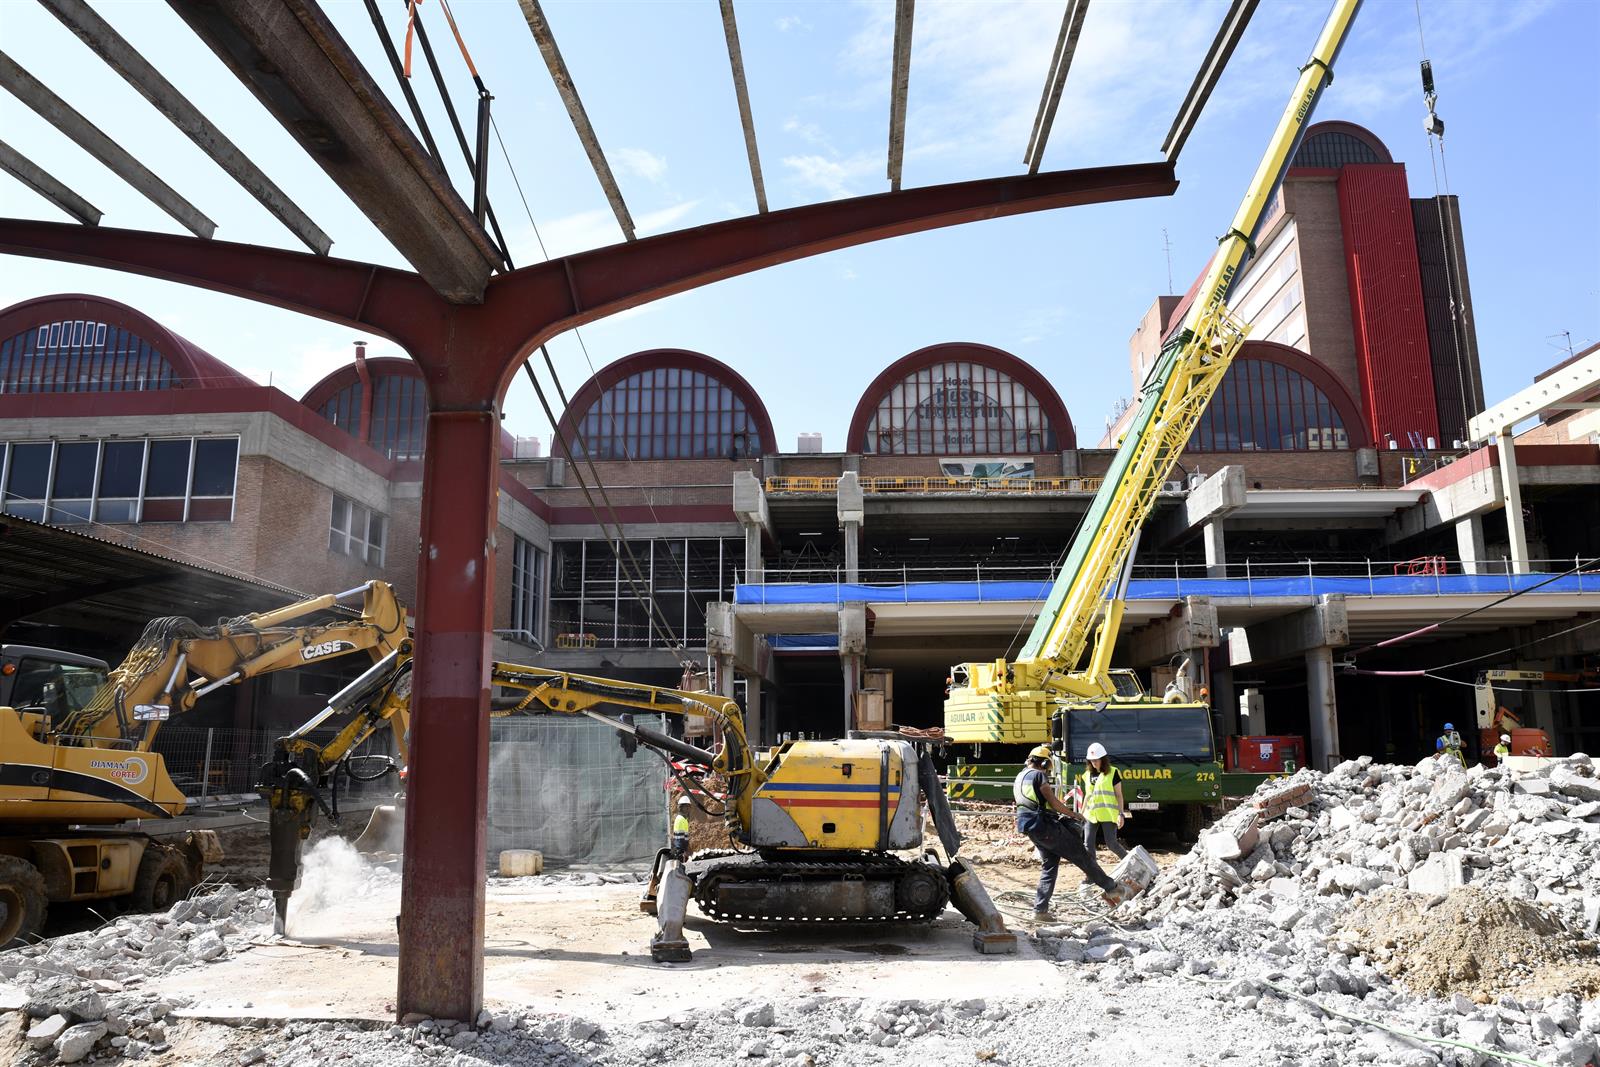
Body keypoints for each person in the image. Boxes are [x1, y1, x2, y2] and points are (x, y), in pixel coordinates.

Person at [1013, 745, 1133, 922]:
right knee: (1081, 854)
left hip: (1029, 827)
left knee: (1049, 865)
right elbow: (1053, 801)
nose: (1047, 770)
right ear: (1045, 763)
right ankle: (1112, 888)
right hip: (1045, 825)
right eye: (1047, 766)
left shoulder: (1020, 776)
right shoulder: (1039, 775)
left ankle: (1040, 911)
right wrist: (1073, 814)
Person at [1078, 742, 1128, 860]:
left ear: (1103, 759)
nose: (1093, 763)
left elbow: (1119, 795)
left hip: (1108, 814)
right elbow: (1088, 795)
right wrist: (1081, 813)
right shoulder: (1087, 774)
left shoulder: (1113, 772)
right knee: (1088, 845)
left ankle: (1132, 862)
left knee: (1112, 844)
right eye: (1091, 760)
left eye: (1096, 760)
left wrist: (1121, 814)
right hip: (1091, 815)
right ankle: (1091, 875)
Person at [671, 795, 692, 860]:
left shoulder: (684, 819)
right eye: (686, 806)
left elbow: (684, 837)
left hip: (681, 850)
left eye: (688, 806)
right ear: (681, 807)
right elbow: (679, 839)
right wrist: (684, 851)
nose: (688, 808)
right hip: (679, 851)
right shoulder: (680, 819)